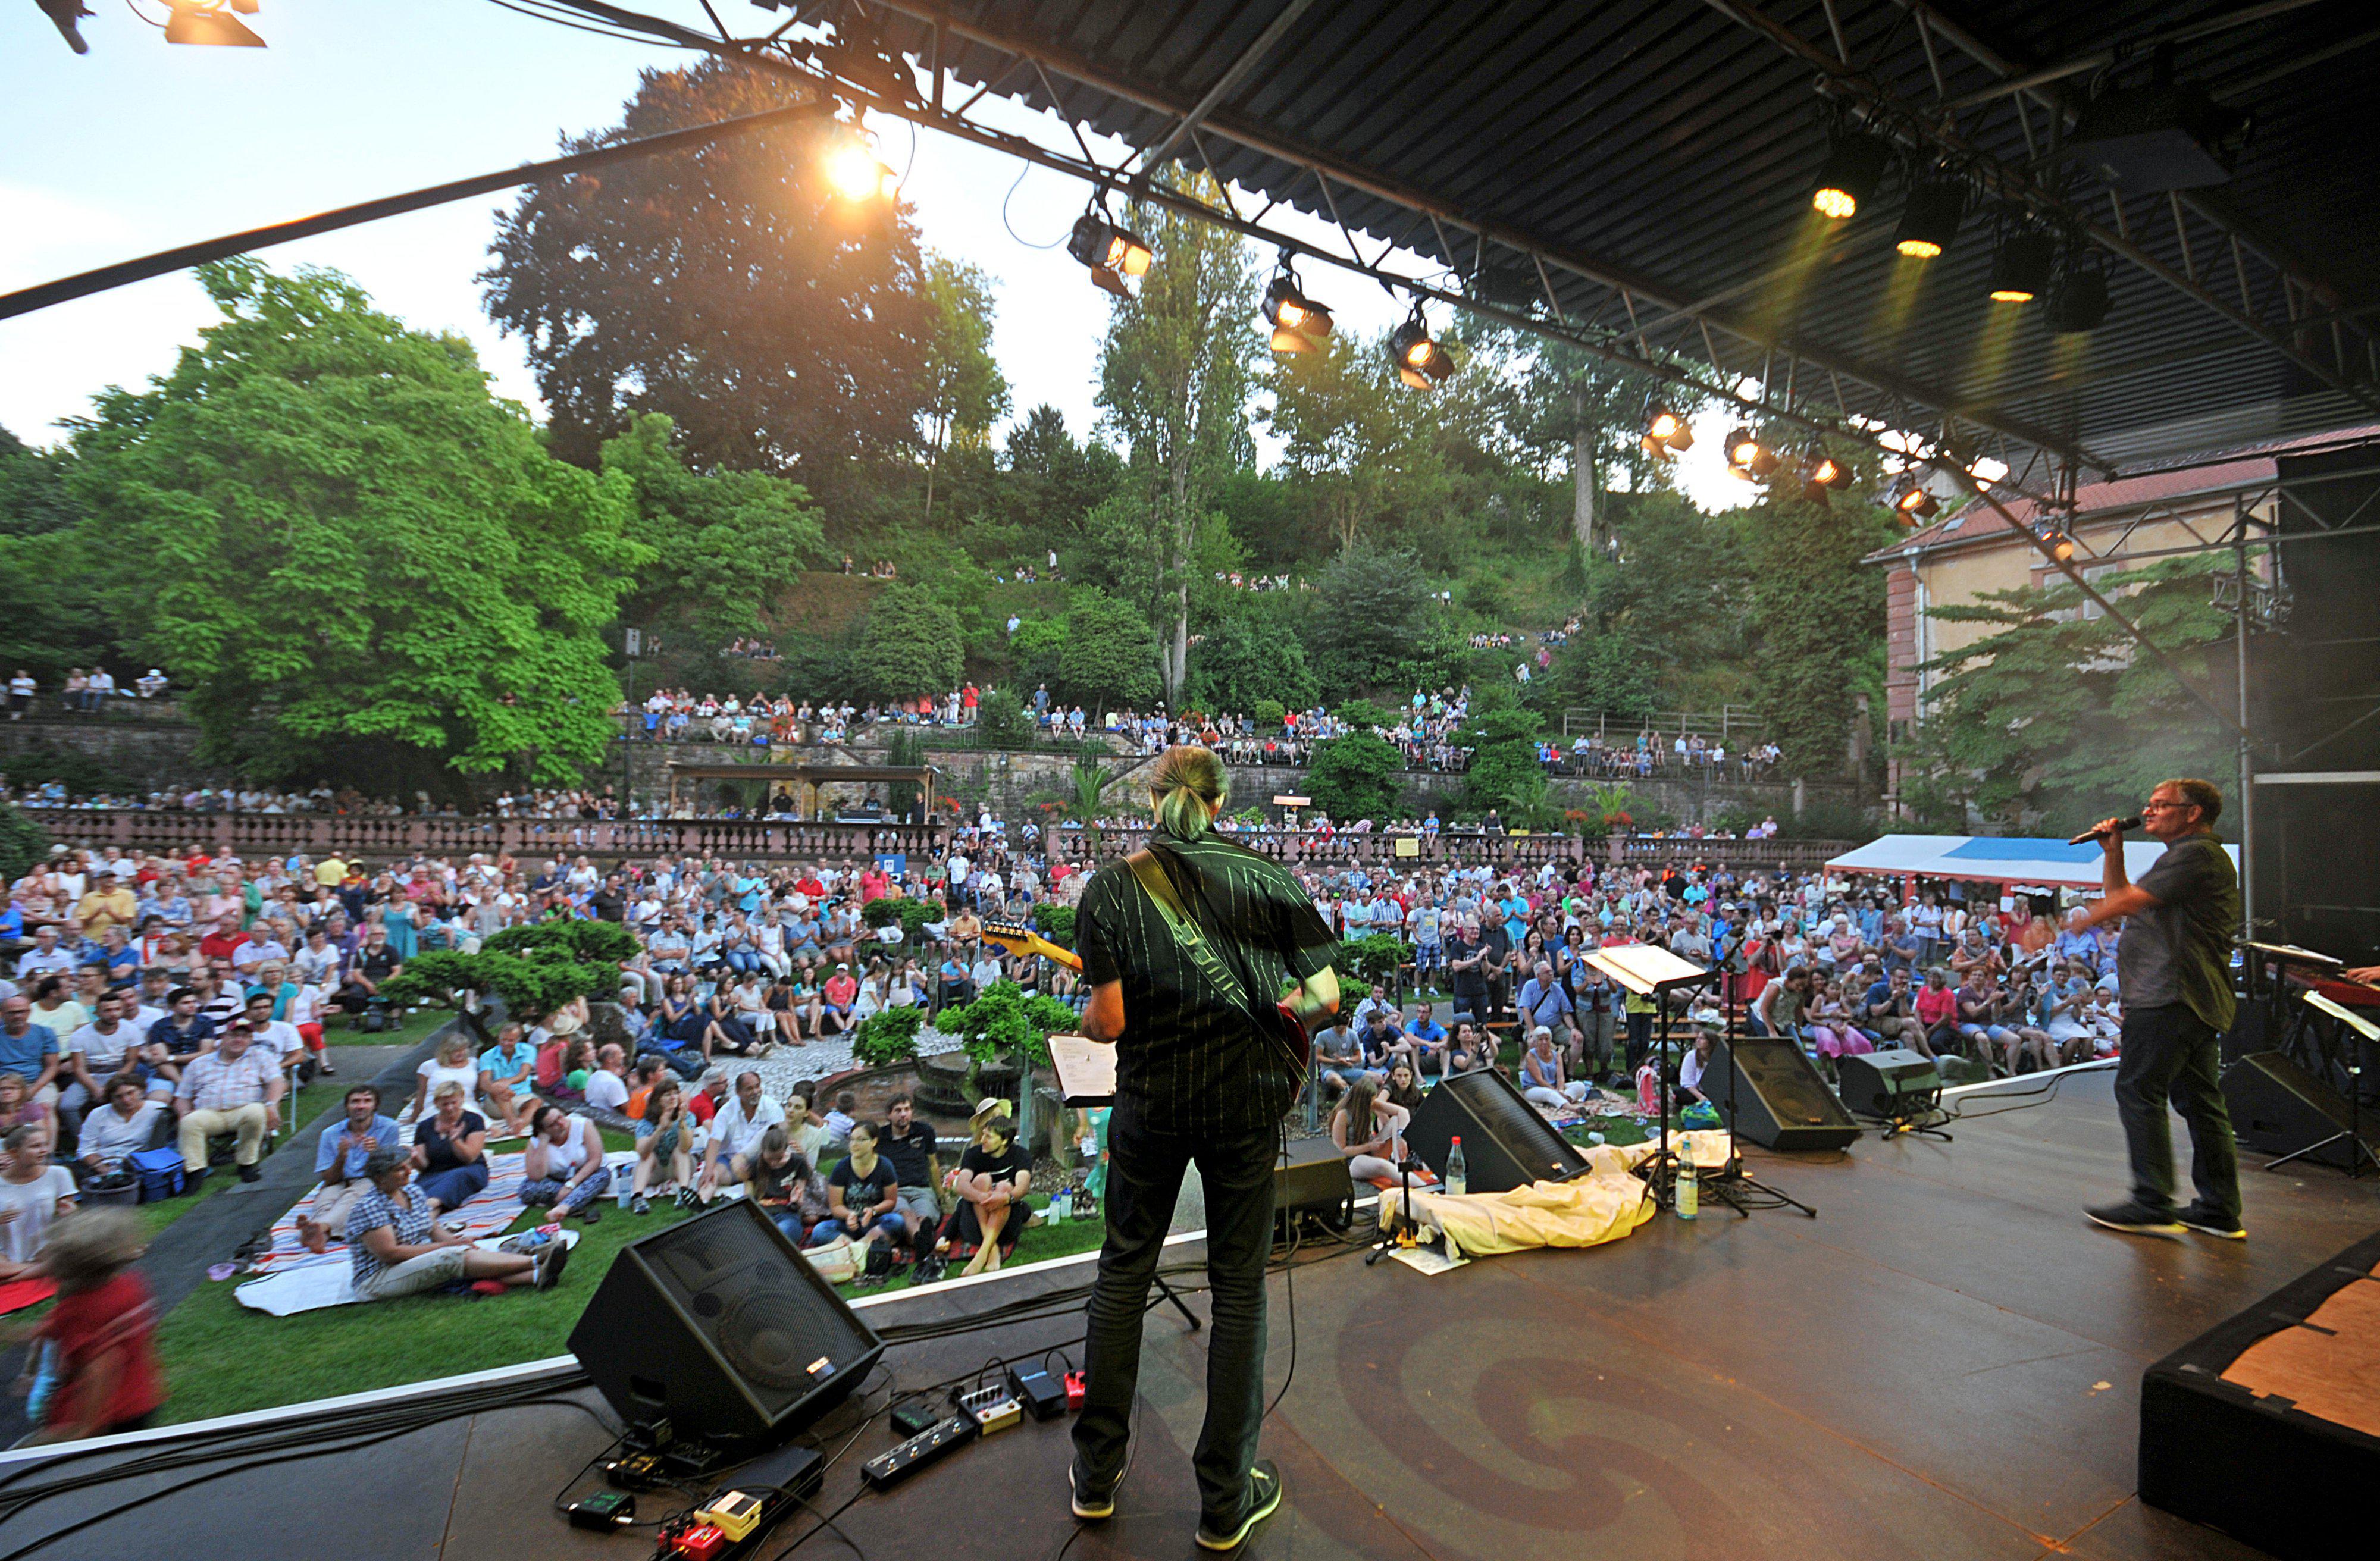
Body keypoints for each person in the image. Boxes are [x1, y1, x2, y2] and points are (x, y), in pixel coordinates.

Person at [1069, 746, 1335, 1550]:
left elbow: (1109, 1023)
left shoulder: (1111, 886)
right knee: (1239, 1291)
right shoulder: (1270, 877)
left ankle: (1096, 1477)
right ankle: (1225, 1499)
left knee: (1124, 1274)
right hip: (1244, 1107)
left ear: (1153, 801)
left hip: (1152, 1104)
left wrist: (1088, 1019)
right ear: (1220, 803)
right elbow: (1324, 995)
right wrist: (1275, 1015)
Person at [2069, 780, 2244, 1239]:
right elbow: (2126, 901)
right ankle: (2219, 1210)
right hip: (2191, 998)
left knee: (2138, 1089)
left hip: (2170, 994)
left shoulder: (2196, 853)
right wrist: (2113, 852)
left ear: (2193, 813)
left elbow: (2121, 903)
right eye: (2148, 805)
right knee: (2201, 1104)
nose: (2148, 812)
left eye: (2161, 805)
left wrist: (2072, 925)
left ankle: (2152, 1203)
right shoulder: (2188, 858)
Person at [6, 1207, 164, 1443]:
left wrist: (83, 1429)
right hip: (144, 1399)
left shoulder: (78, 1311)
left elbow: (101, 1369)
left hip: (106, 1416)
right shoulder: (130, 1285)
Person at [345, 1148, 563, 1300]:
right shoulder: (370, 1207)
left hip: (413, 1260)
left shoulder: (411, 1191)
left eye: (407, 1165)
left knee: (466, 1253)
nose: (409, 1171)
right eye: (399, 1169)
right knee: (449, 1258)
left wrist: (458, 1242)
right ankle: (537, 1260)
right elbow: (390, 1254)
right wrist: (446, 1246)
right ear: (380, 1178)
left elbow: (431, 1228)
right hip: (379, 1278)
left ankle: (537, 1275)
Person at [172, 1020, 282, 1186]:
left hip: (243, 1111)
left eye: (244, 1036)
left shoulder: (261, 1057)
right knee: (190, 1121)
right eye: (233, 1035)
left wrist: (272, 1105)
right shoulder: (199, 1063)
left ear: (251, 1040)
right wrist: (183, 1113)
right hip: (210, 1115)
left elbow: (277, 1082)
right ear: (223, 1038)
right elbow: (182, 1096)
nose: (238, 1040)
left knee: (257, 1111)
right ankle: (195, 1173)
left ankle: (246, 1165)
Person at [297, 1084, 400, 1252]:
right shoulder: (330, 1134)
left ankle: (318, 1228)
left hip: (371, 1179)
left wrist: (377, 1154)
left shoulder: (389, 1128)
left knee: (351, 1198)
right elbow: (329, 1179)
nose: (361, 1106)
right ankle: (321, 1235)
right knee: (325, 1201)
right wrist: (341, 1157)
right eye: (355, 1102)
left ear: (375, 1105)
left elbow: (390, 1173)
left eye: (367, 1101)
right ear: (347, 1106)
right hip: (339, 1181)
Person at [940, 1107, 1033, 1276]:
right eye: (983, 1134)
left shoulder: (1021, 1155)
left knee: (1005, 1188)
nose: (982, 1140)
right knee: (982, 1180)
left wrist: (1005, 1199)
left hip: (1006, 1229)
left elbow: (1023, 1186)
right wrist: (984, 1196)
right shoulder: (973, 1154)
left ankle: (982, 1254)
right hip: (974, 1228)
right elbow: (962, 1185)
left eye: (988, 1137)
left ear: (1004, 1140)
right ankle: (991, 1249)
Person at [0, 1124, 77, 1272]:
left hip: (46, 1251)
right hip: (4, 1254)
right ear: (14, 1152)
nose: (44, 1151)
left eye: (45, 1145)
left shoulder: (59, 1174)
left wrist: (69, 1214)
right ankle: (31, 1271)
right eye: (36, 1146)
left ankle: (21, 1272)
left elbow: (70, 1220)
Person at [818, 1121, 905, 1253]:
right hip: (848, 1224)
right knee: (820, 1230)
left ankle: (855, 1249)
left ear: (874, 1142)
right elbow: (835, 1206)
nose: (854, 1144)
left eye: (861, 1140)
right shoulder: (842, 1167)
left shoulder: (885, 1166)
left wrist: (873, 1211)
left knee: (897, 1221)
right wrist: (849, 1215)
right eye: (852, 1140)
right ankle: (865, 1249)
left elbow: (891, 1201)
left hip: (875, 1223)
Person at [876, 1093, 944, 1252]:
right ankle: (923, 1243)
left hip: (921, 1190)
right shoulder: (879, 1137)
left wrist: (940, 1194)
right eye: (898, 1110)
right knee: (906, 1215)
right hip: (895, 1192)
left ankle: (917, 1240)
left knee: (925, 1216)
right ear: (889, 1115)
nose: (904, 1114)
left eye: (907, 1109)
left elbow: (933, 1164)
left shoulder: (924, 1131)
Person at [519, 1104, 610, 1223]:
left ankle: (564, 1207)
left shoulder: (583, 1125)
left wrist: (570, 1186)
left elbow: (596, 1159)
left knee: (603, 1175)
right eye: (553, 1124)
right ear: (544, 1130)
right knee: (527, 1189)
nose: (561, 1123)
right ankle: (576, 1199)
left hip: (585, 1176)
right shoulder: (536, 1142)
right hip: (556, 1182)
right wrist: (543, 1142)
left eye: (560, 1117)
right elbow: (536, 1177)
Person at [409, 1080, 489, 1212]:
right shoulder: (424, 1127)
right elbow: (423, 1166)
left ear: (462, 1099)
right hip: (433, 1173)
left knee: (456, 1178)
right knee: (412, 1193)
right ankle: (429, 1215)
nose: (450, 1108)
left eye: (454, 1103)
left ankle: (427, 1206)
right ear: (436, 1103)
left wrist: (455, 1140)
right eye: (445, 1104)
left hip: (468, 1170)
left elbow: (470, 1158)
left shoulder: (474, 1120)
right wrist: (414, 1157)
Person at [72, 1076, 164, 1187]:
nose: (126, 1100)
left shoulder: (157, 1109)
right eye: (119, 1097)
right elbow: (85, 1149)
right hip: (101, 1163)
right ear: (112, 1099)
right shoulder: (98, 1114)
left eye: (130, 1093)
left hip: (134, 1164)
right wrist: (104, 1170)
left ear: (141, 1091)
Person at [629, 1077, 693, 1214]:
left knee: (680, 1151)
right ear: (658, 1100)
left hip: (679, 1166)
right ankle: (638, 1197)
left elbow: (686, 1147)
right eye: (668, 1095)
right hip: (655, 1170)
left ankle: (684, 1192)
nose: (673, 1097)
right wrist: (659, 1130)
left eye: (675, 1093)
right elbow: (642, 1153)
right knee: (649, 1156)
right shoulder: (646, 1123)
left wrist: (682, 1122)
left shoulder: (687, 1117)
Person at [1327, 1076, 1408, 1183]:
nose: (1372, 1105)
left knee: (1395, 1120)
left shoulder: (1371, 1103)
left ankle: (1401, 1167)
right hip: (1354, 1160)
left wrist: (1400, 1137)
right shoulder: (1343, 1115)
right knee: (1382, 1166)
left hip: (1371, 1150)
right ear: (1361, 1100)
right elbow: (1341, 1151)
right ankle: (1411, 1182)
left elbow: (1403, 1112)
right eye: (1370, 1102)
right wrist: (1369, 1146)